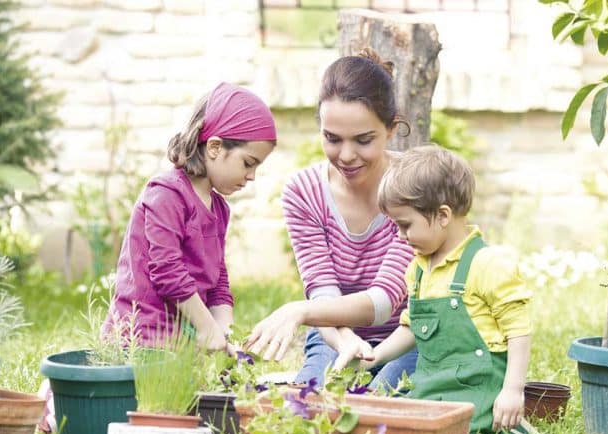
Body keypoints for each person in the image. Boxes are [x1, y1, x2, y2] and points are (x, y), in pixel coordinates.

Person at [336, 145, 536, 434]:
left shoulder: (487, 263)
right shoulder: (418, 269)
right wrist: (373, 357)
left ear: (443, 215)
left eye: (405, 225)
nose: (400, 236)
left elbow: (519, 330)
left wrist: (513, 391)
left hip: (480, 390)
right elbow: (412, 326)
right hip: (433, 387)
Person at [243, 48, 417, 389]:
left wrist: (300, 311)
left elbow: (384, 302)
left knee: (381, 407)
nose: (347, 155)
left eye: (364, 140)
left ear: (391, 129)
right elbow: (323, 293)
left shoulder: (415, 187)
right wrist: (344, 342)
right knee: (312, 412)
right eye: (332, 139)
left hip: (407, 339)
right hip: (334, 335)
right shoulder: (304, 192)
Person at [103, 82, 277, 352]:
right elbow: (167, 271)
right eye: (248, 163)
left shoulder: (219, 209)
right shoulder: (167, 194)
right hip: (139, 340)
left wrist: (225, 334)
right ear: (215, 147)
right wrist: (207, 328)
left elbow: (218, 278)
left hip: (183, 343)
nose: (252, 175)